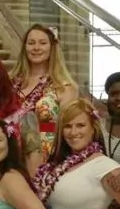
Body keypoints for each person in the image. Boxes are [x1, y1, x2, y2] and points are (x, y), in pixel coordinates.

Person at [9, 24, 78, 157]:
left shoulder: (63, 87)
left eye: (42, 43)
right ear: (24, 47)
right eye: (31, 43)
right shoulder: (10, 82)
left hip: (46, 155)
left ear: (52, 47)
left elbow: (66, 129)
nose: (36, 48)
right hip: (10, 153)